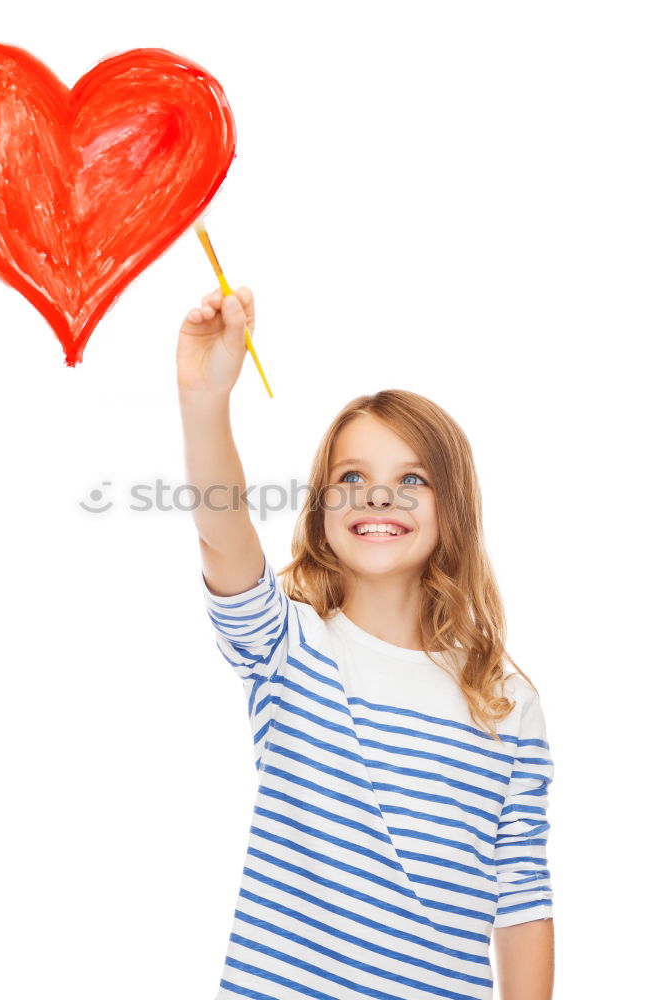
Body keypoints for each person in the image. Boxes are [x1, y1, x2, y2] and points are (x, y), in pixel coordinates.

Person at [177, 286, 555, 1000]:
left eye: (411, 479)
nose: (378, 497)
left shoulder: (506, 703)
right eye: (352, 479)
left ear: (456, 509)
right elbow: (220, 535)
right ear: (320, 508)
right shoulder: (286, 647)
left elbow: (523, 898)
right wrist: (205, 399)